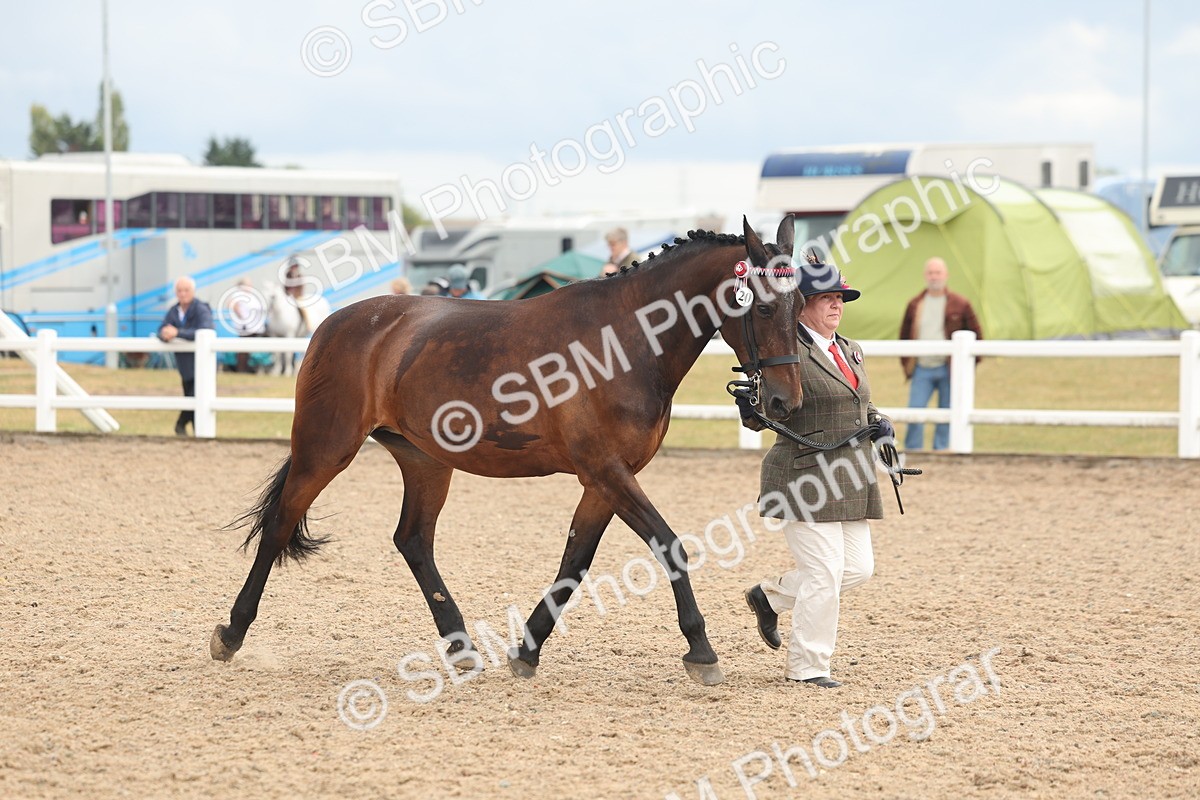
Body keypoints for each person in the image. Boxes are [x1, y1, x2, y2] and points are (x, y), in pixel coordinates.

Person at [740, 258, 895, 688]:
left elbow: (860, 403)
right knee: (824, 572)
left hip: (851, 476)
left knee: (859, 569)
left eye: (839, 298)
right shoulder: (787, 351)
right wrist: (751, 410)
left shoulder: (848, 348)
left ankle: (769, 596)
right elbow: (764, 408)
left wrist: (880, 421)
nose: (836, 305)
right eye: (826, 298)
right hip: (803, 475)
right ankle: (808, 666)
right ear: (802, 305)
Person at [899, 257, 983, 451]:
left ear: (946, 275)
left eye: (938, 272)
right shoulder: (915, 304)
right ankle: (912, 452)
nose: (934, 277)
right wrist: (907, 363)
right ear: (925, 275)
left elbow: (977, 335)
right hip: (922, 368)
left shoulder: (961, 304)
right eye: (930, 272)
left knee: (947, 414)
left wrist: (966, 367)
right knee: (914, 413)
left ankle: (941, 451)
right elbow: (904, 335)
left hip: (948, 369)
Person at [158, 276, 215, 436]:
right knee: (191, 397)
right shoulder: (174, 311)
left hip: (201, 365)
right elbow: (162, 328)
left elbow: (207, 329)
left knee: (194, 396)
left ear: (193, 292)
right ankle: (195, 431)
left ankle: (180, 425)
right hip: (185, 365)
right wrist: (165, 333)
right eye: (179, 291)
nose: (182, 294)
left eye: (186, 290)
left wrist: (177, 333)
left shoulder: (201, 309)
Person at [227, 277, 266, 374]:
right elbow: (231, 303)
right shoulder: (238, 294)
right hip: (245, 327)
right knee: (243, 350)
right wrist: (241, 316)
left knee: (249, 349)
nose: (250, 287)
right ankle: (241, 369)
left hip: (255, 327)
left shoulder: (252, 296)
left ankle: (247, 367)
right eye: (248, 285)